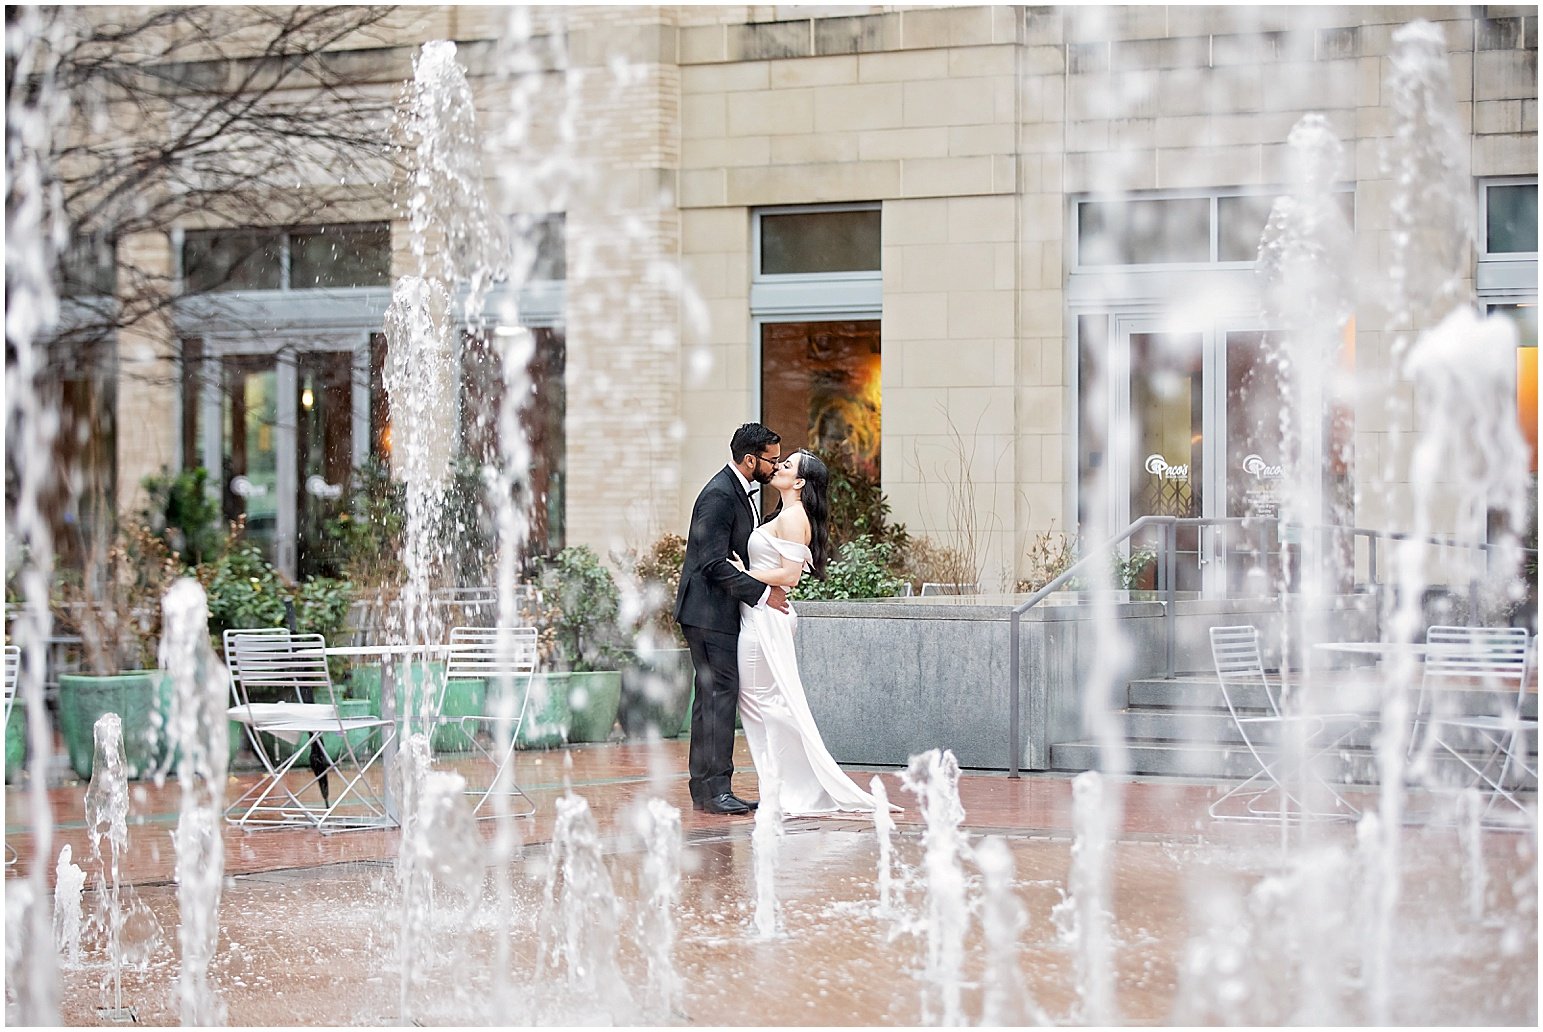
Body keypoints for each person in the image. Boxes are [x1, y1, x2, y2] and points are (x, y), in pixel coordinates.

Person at [727, 450, 896, 816]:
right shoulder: (786, 514)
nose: (779, 468)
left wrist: (742, 574)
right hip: (761, 615)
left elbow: (789, 576)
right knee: (763, 705)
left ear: (800, 482)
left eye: (787, 466)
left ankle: (789, 791)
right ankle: (783, 788)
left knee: (764, 705)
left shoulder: (792, 517)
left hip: (765, 619)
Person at [674, 423, 789, 815]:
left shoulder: (738, 491)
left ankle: (707, 788)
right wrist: (762, 593)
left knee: (712, 699)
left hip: (714, 612)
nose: (774, 468)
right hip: (707, 613)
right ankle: (714, 788)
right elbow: (710, 563)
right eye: (771, 460)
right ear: (750, 459)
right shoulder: (720, 495)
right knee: (719, 697)